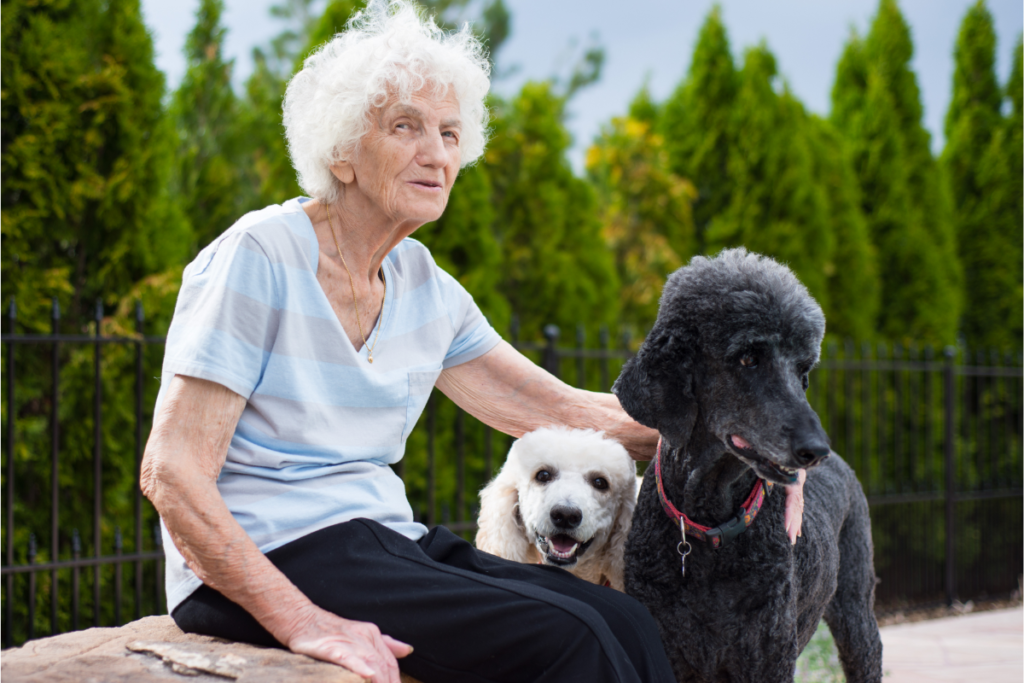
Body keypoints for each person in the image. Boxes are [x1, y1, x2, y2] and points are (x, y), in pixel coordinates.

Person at [140, 2, 806, 682]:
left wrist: (755, 442)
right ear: (339, 150)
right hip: (274, 552)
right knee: (573, 639)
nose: (437, 152)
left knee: (626, 621)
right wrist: (302, 620)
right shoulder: (260, 256)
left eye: (451, 133)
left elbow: (559, 409)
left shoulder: (424, 285)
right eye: (406, 127)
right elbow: (172, 473)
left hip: (382, 539)